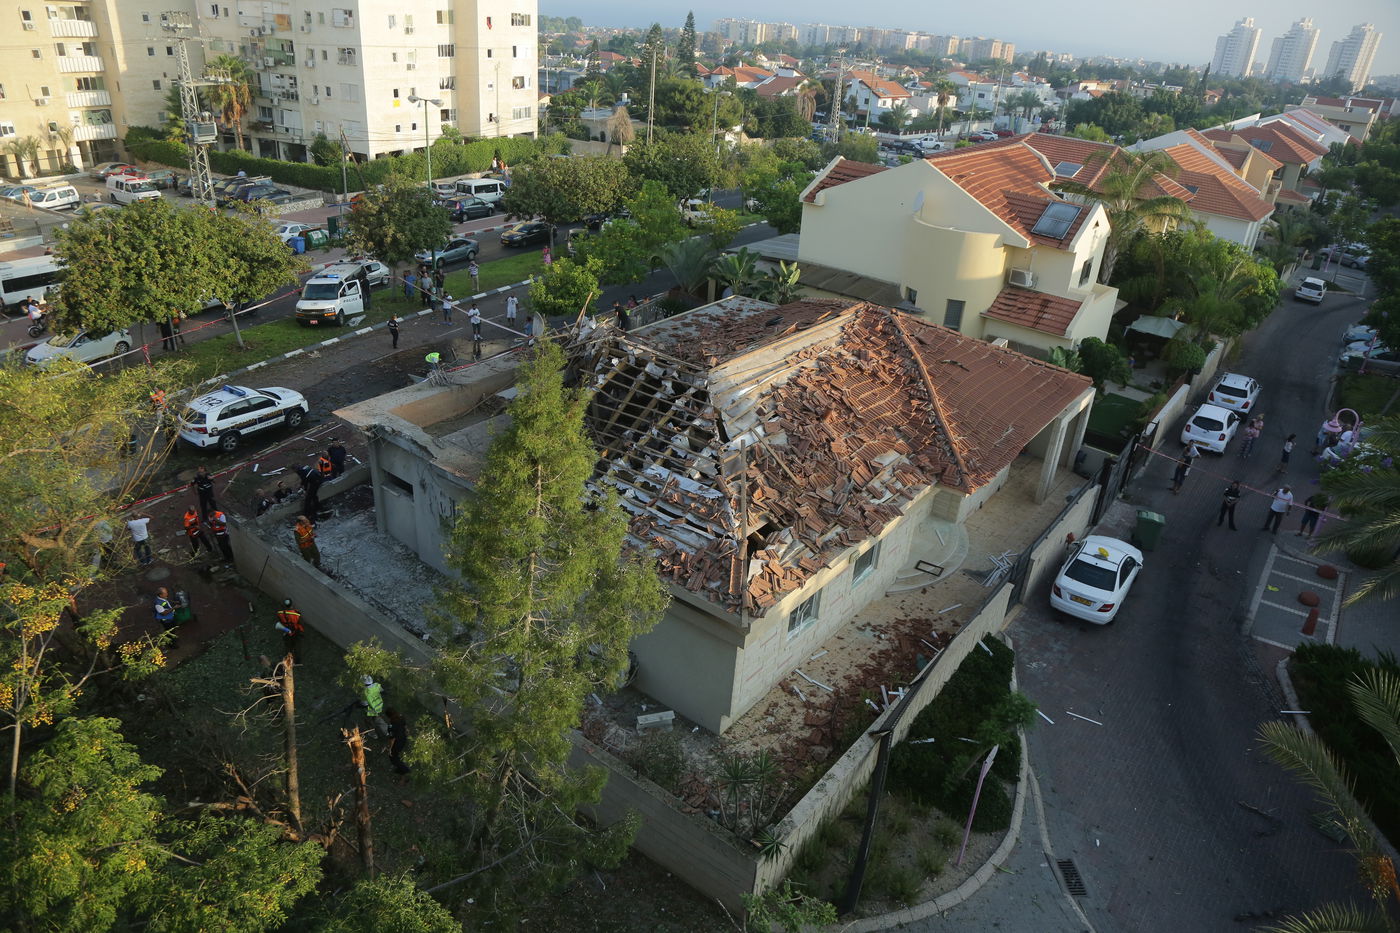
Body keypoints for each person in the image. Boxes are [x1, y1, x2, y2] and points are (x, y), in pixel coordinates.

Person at [274, 598, 304, 663]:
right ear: (291, 605)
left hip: (287, 632)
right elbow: (300, 623)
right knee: (297, 647)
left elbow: (280, 621)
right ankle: (298, 661)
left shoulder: (280, 613)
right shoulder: (297, 614)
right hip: (296, 632)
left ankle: (287, 661)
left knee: (288, 647)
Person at [385, 708, 412, 774]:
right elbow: (406, 727)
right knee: (396, 754)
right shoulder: (401, 717)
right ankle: (401, 767)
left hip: (397, 742)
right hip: (403, 738)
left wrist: (390, 749)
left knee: (392, 757)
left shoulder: (391, 726)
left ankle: (404, 769)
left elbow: (392, 739)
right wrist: (407, 733)